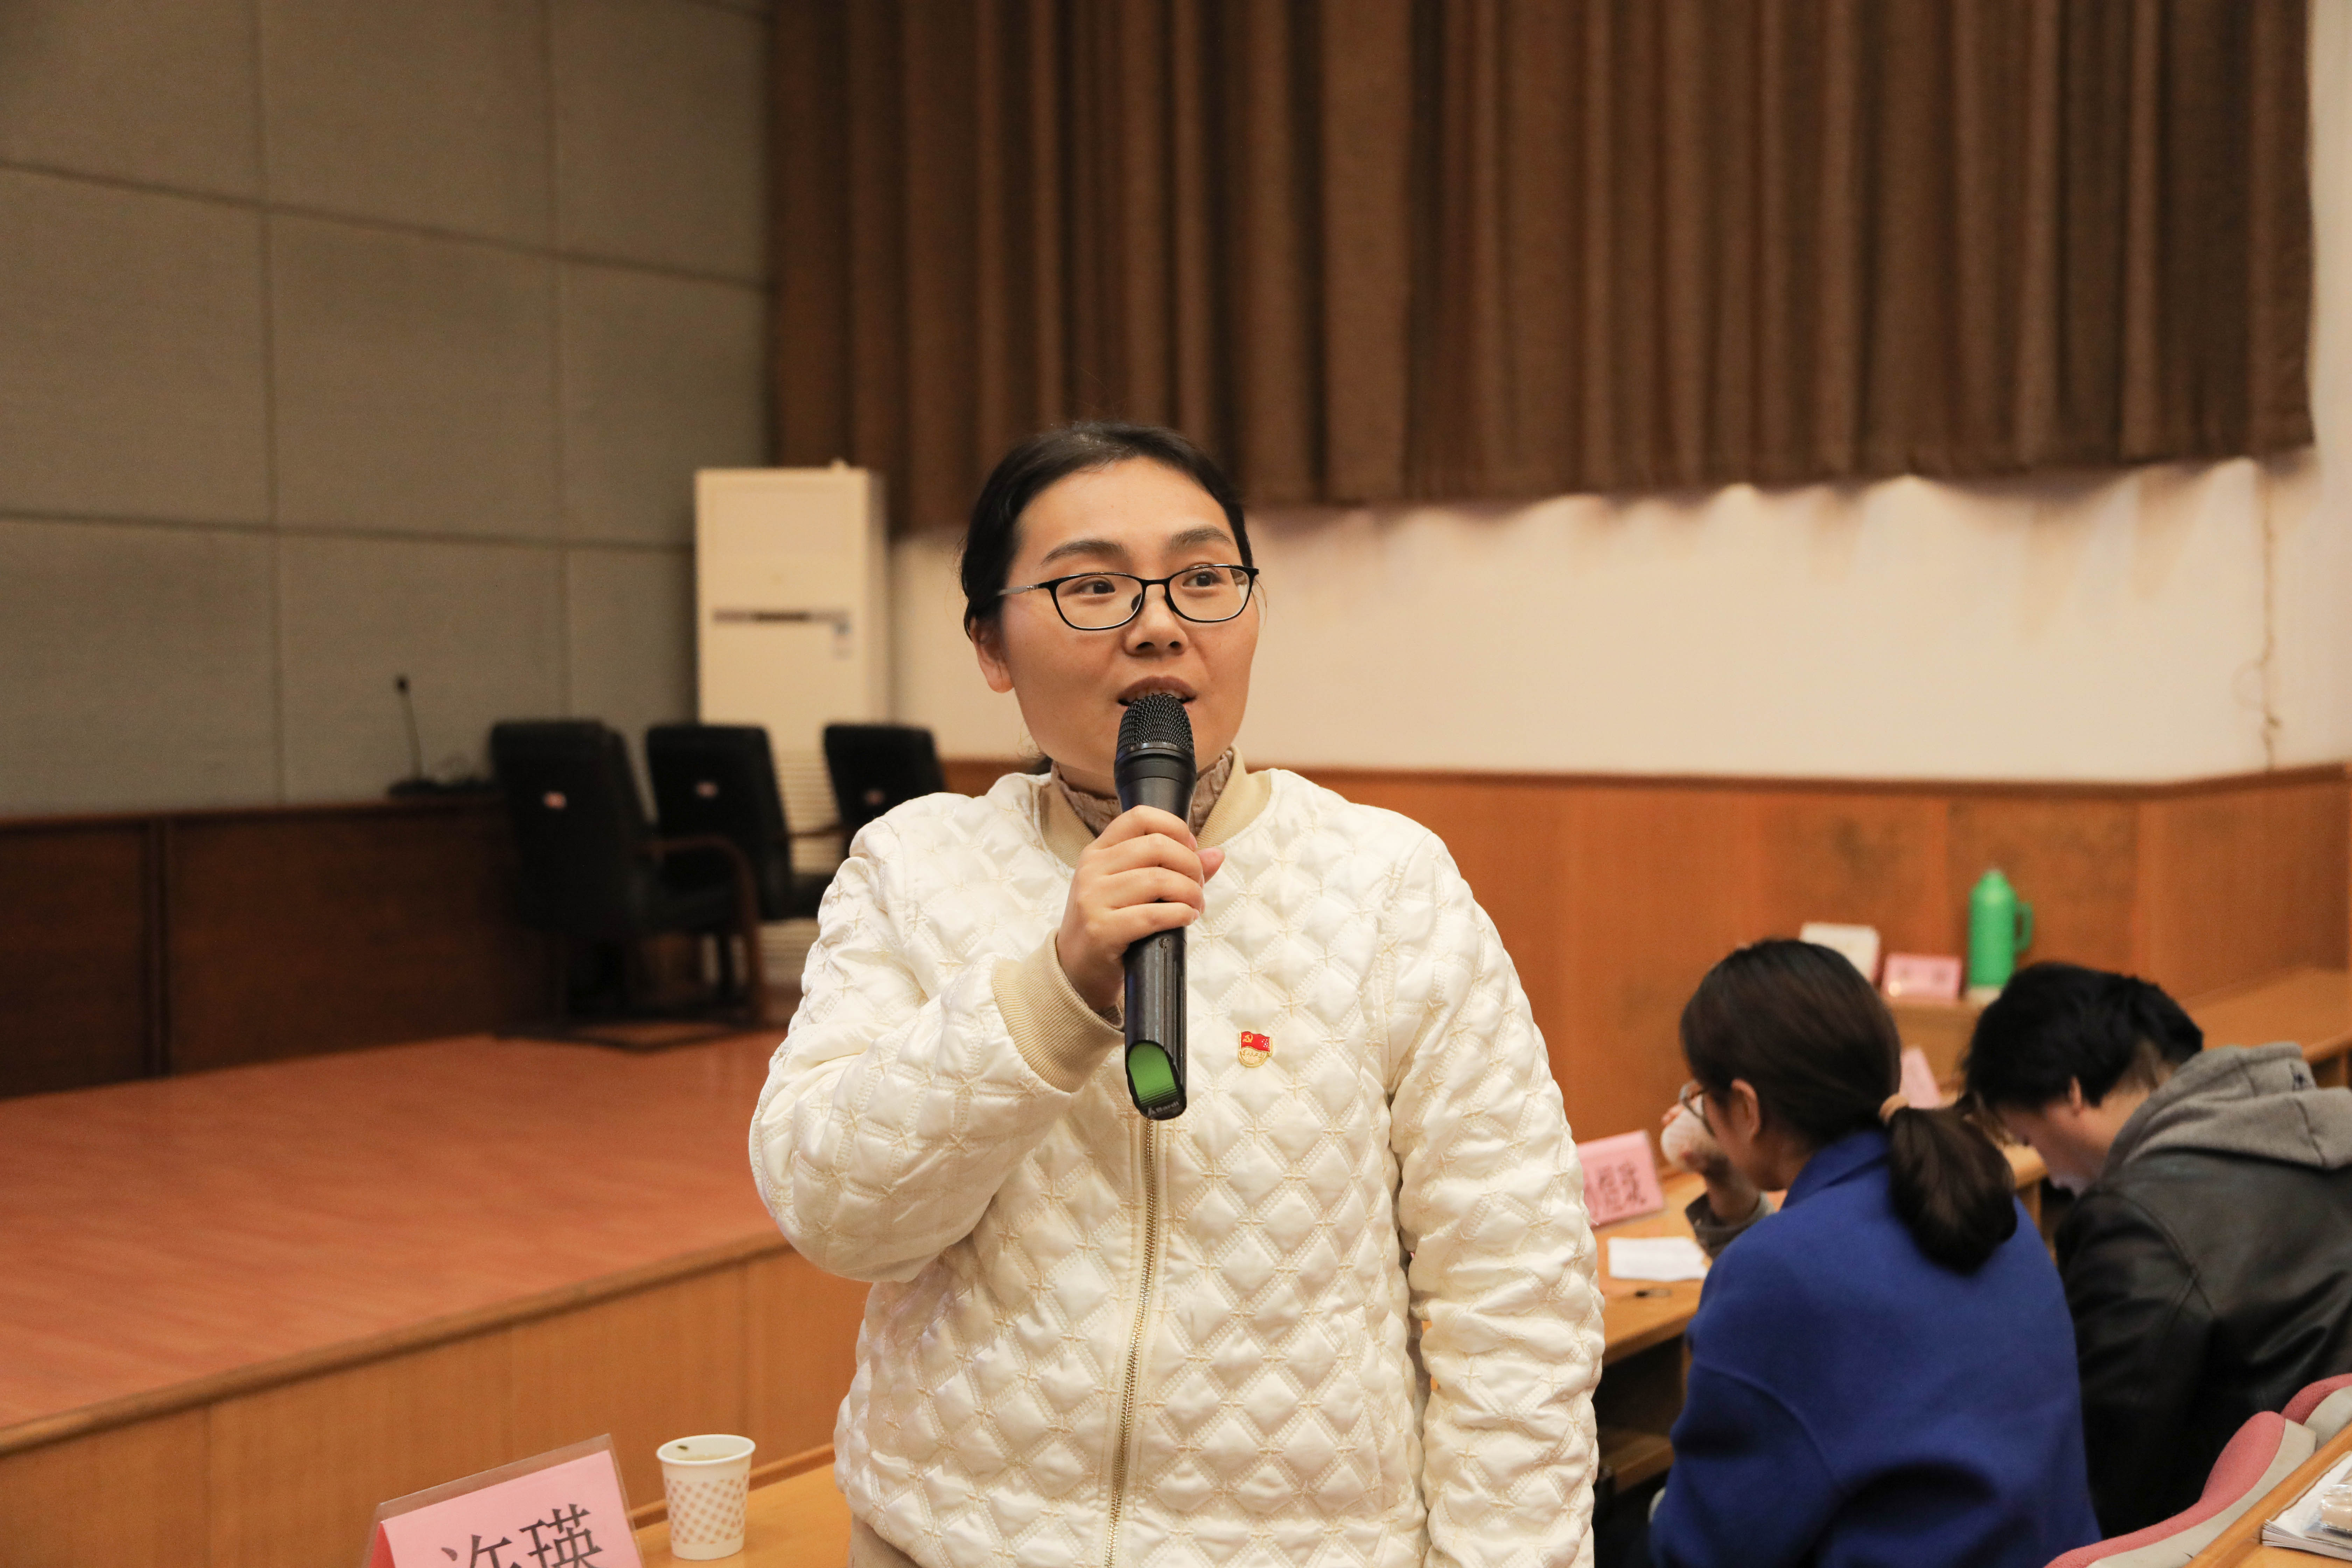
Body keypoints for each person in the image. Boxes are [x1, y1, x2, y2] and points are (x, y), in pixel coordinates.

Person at [750, 422, 1604, 1568]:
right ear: (990, 644)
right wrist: (1053, 992)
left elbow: (1515, 1287)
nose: (1159, 624)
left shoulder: (1386, 884)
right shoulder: (914, 868)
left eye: (1203, 578)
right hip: (953, 1538)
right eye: (1093, 586)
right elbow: (837, 1213)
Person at [1639, 940, 2098, 1568]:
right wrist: (1733, 1189)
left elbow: (1704, 1550)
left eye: (1703, 1098)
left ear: (1745, 1108)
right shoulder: (1980, 1197)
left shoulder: (1778, 1272)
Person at [1962, 962, 2352, 1535]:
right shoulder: (2331, 1130)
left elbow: (2105, 1477)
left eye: (2030, 1138)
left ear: (2072, 1092)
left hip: (2250, 1528)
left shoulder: (2137, 1221)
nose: (2051, 1171)